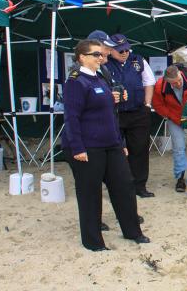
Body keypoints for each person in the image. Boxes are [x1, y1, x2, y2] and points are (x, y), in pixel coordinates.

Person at [62, 39, 150, 251]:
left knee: (124, 186)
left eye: (102, 55)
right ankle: (93, 241)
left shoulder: (101, 78)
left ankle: (132, 231)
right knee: (90, 193)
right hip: (88, 146)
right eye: (96, 55)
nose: (101, 58)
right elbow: (71, 118)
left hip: (111, 144)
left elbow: (111, 115)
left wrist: (120, 142)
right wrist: (78, 148)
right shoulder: (76, 82)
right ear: (82, 57)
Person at [105, 34, 156, 198]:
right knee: (116, 151)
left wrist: (147, 104)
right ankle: (120, 186)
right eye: (120, 50)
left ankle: (139, 186)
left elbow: (149, 82)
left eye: (126, 49)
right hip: (115, 114)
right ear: (110, 50)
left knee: (140, 149)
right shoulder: (105, 63)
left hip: (138, 112)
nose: (124, 52)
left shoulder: (138, 60)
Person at [152, 64, 187, 192]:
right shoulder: (160, 85)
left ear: (180, 74)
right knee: (178, 148)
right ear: (166, 80)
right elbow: (158, 104)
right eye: (173, 83)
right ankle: (180, 178)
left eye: (179, 81)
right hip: (174, 118)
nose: (177, 84)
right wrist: (171, 116)